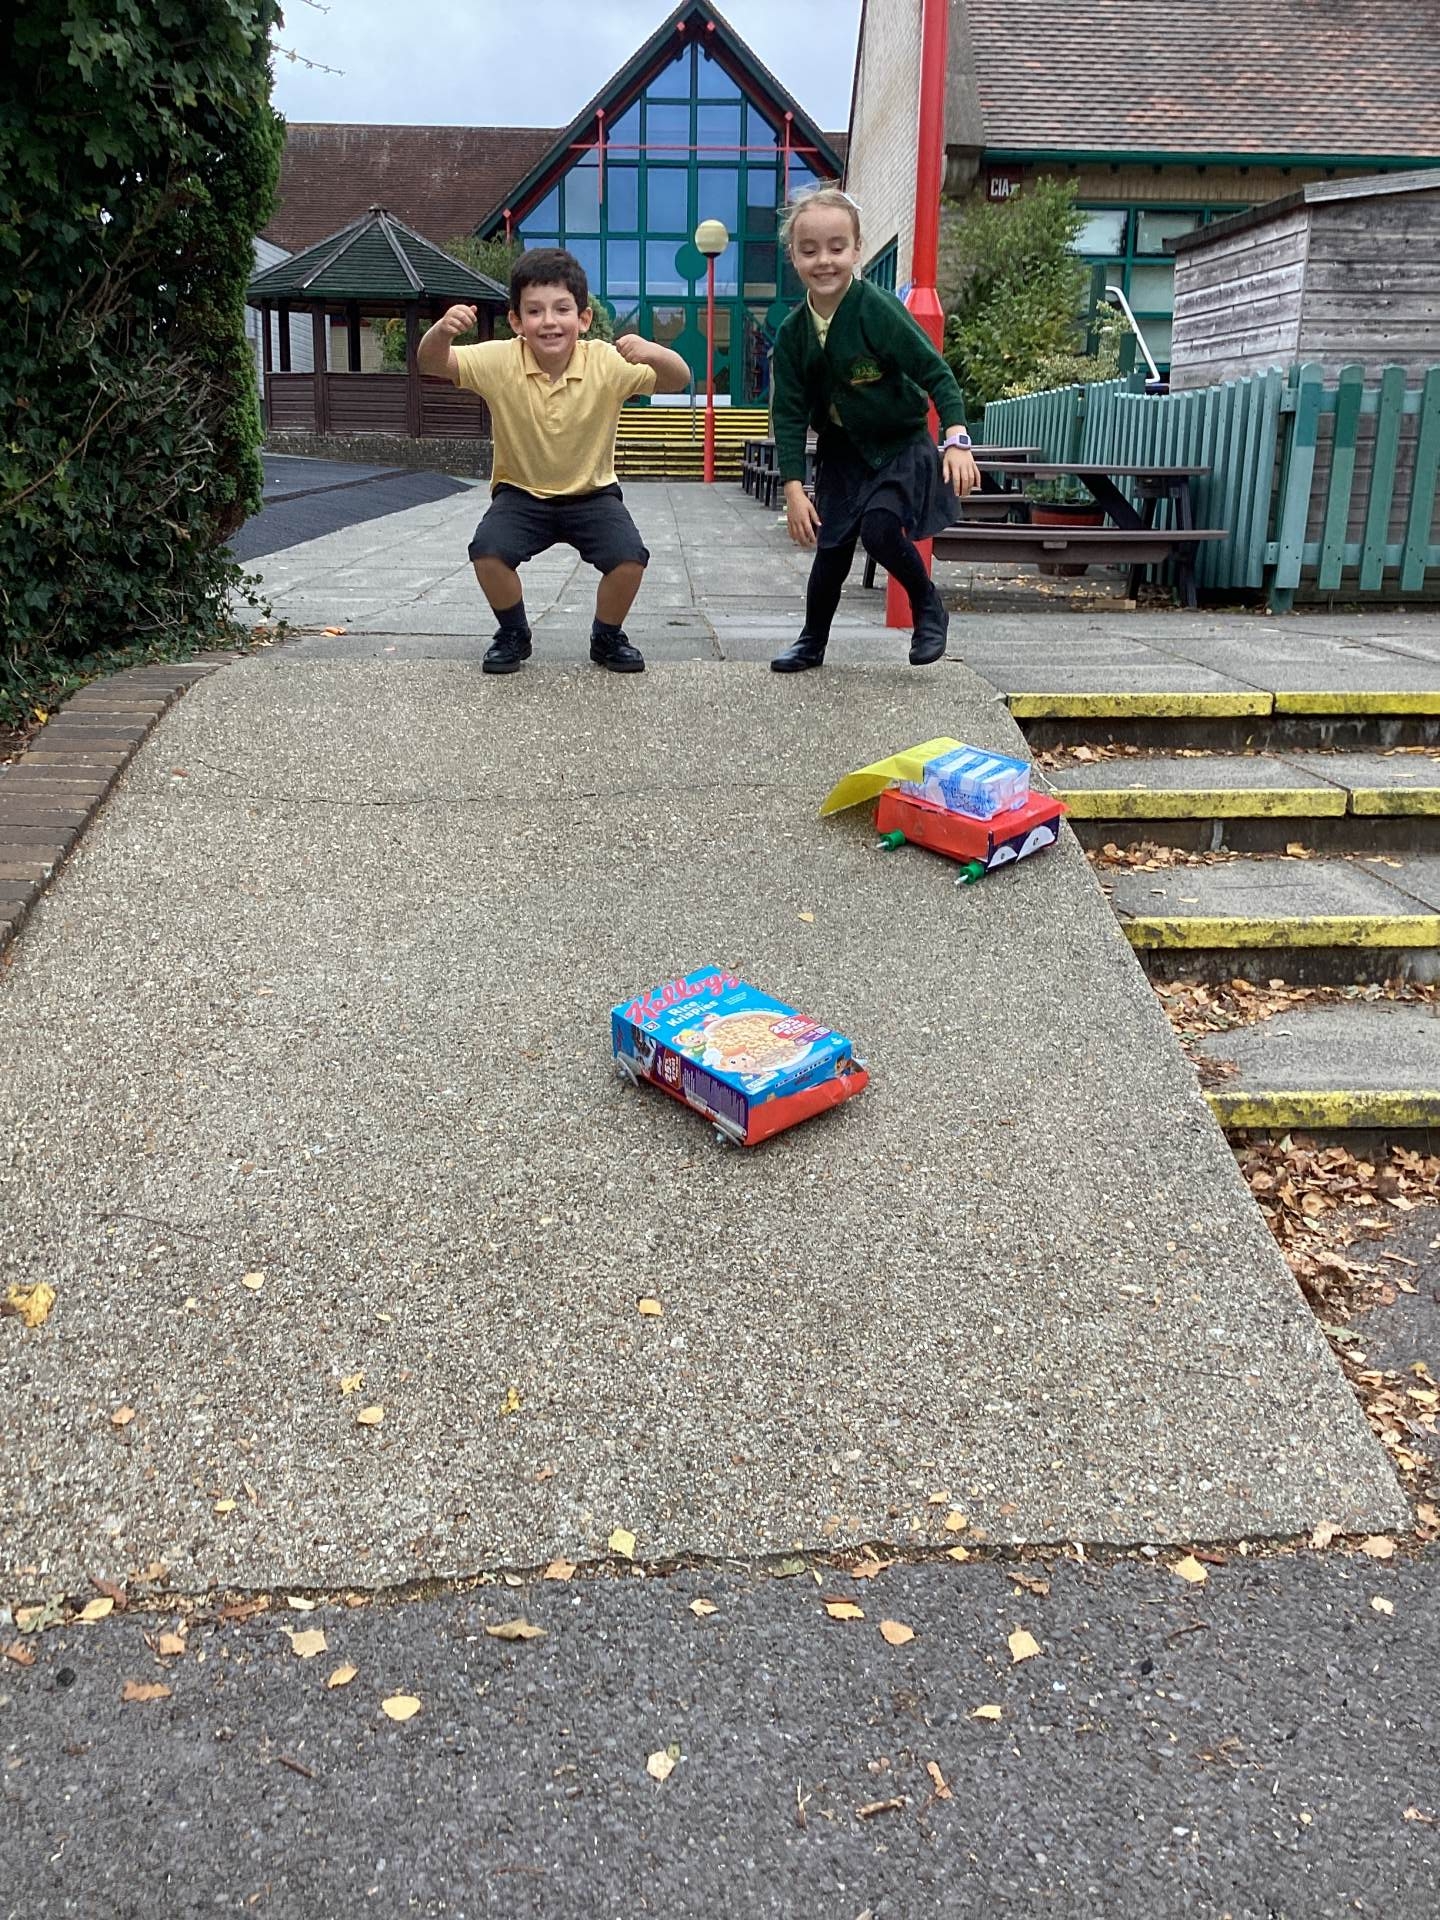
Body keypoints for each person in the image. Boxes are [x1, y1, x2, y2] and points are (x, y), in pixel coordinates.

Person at [417, 248, 691, 675]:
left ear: (583, 318)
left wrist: (651, 351)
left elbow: (679, 379)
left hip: (593, 493)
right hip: (520, 493)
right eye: (535, 311)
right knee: (487, 552)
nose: (549, 321)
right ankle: (513, 633)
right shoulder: (500, 359)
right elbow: (432, 362)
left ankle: (607, 637)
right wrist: (442, 331)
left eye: (562, 309)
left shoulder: (605, 361)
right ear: (516, 321)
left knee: (630, 558)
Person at [767, 187, 980, 672]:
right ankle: (811, 642)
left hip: (899, 442)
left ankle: (928, 606)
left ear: (857, 249)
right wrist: (794, 488)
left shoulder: (876, 309)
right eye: (809, 250)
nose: (824, 261)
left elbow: (936, 373)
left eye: (837, 247)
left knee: (881, 528)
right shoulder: (793, 334)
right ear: (793, 257)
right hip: (843, 450)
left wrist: (956, 438)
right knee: (832, 549)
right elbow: (790, 415)